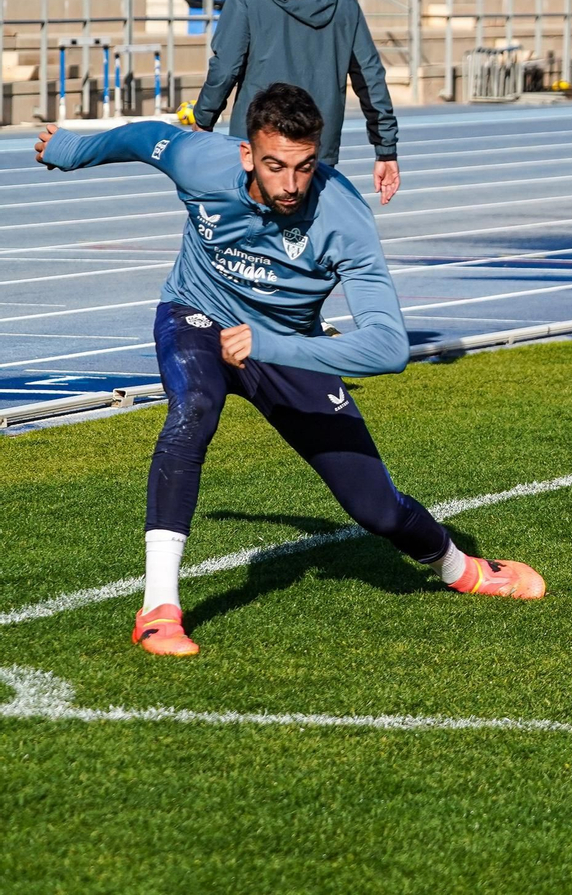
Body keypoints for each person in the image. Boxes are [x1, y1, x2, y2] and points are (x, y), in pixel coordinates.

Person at [35, 84, 544, 658]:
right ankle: (159, 607)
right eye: (275, 165)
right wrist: (74, 149)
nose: (290, 184)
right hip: (196, 314)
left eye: (305, 167)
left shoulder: (343, 217)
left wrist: (271, 344)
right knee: (194, 410)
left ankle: (463, 568)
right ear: (247, 155)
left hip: (285, 347)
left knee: (374, 508)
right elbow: (146, 137)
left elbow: (387, 348)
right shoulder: (203, 162)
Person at [193, 0, 401, 205]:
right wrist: (385, 150)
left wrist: (203, 121)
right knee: (307, 239)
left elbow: (225, 67)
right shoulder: (344, 2)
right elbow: (370, 78)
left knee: (250, 240)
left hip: (258, 145)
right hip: (314, 148)